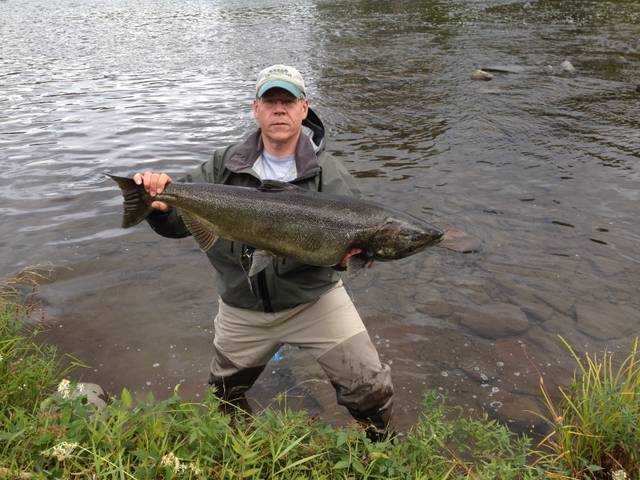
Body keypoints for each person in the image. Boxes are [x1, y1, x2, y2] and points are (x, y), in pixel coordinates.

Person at [133, 64, 394, 439]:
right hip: (243, 306)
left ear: (304, 109)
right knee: (223, 395)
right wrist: (157, 207)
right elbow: (176, 224)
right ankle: (238, 445)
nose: (279, 109)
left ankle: (381, 448)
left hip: (313, 301)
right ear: (256, 108)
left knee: (370, 388)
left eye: (288, 101)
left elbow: (354, 244)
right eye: (271, 101)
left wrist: (357, 256)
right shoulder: (223, 165)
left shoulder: (330, 174)